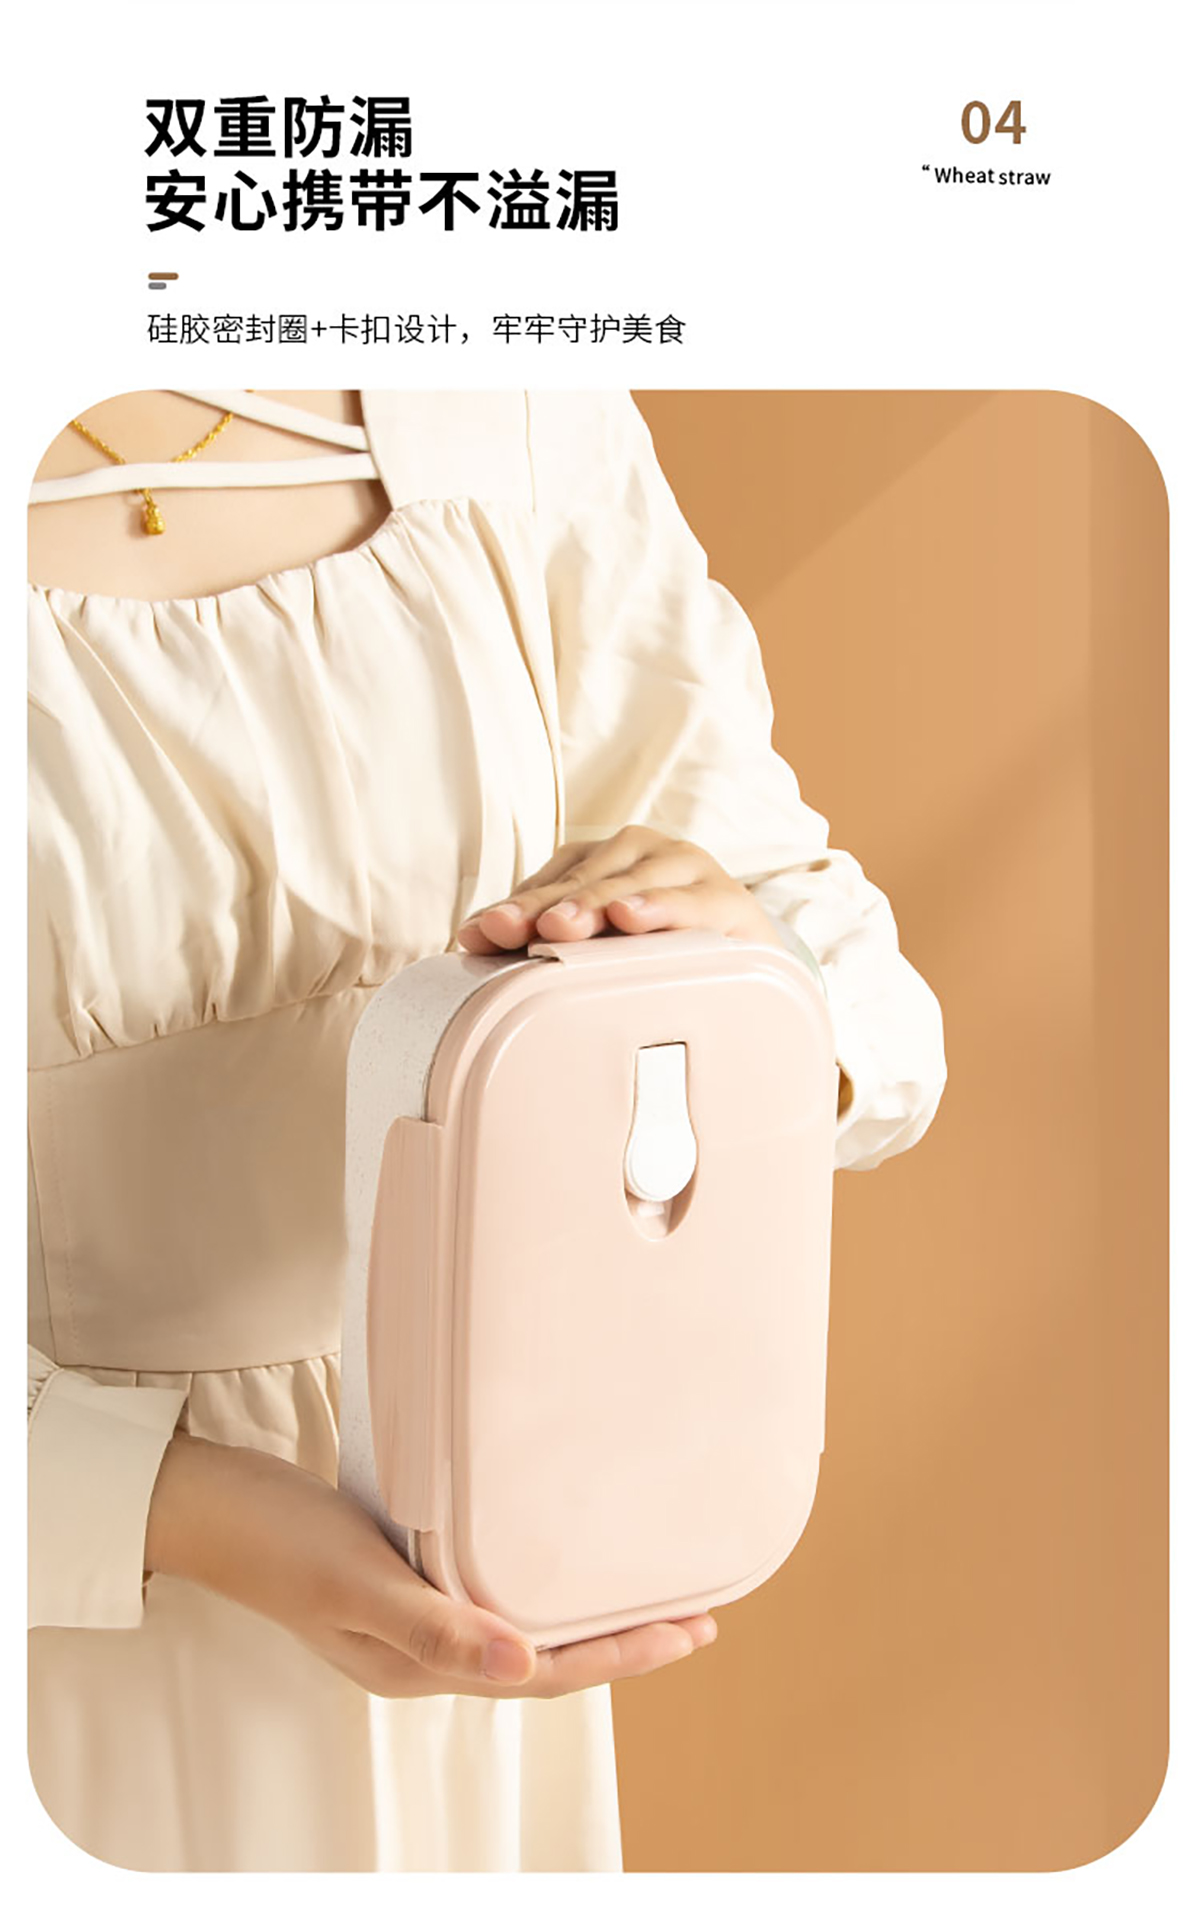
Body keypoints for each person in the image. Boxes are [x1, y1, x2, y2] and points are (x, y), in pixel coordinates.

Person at [27, 388, 947, 1872]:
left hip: (493, 1535)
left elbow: (849, 982)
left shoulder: (498, 378)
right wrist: (181, 1509)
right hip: (74, 1610)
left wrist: (730, 964)